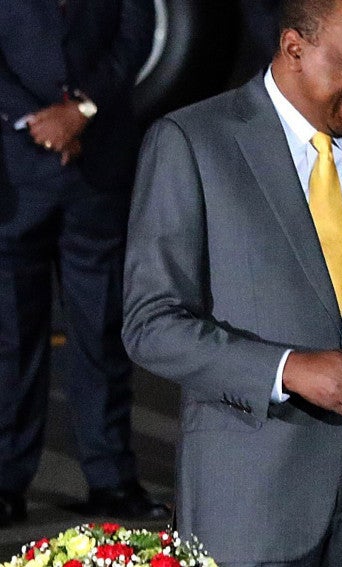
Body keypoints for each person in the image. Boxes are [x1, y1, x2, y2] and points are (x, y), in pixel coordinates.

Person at [121, 0, 342, 565]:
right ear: (293, 49)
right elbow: (151, 324)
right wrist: (287, 369)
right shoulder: (192, 142)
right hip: (251, 506)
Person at [0, 0, 166, 526]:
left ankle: (111, 479)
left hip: (96, 169)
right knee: (12, 340)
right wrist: (37, 121)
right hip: (15, 171)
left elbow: (134, 36)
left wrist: (80, 112)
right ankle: (5, 481)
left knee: (100, 333)